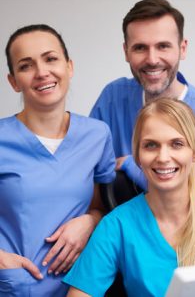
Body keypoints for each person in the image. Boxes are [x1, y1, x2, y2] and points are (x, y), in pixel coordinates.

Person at [64, 98, 195, 297]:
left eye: (176, 144)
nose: (163, 157)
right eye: (151, 145)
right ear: (138, 156)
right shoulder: (117, 225)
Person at [0, 24, 115, 296]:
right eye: (26, 66)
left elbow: (99, 207)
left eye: (50, 59)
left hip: (80, 286)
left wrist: (90, 222)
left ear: (69, 67)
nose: (42, 72)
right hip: (14, 286)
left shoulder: (96, 135)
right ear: (14, 81)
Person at [90, 0, 195, 195]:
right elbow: (85, 172)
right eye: (140, 47)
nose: (152, 60)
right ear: (126, 51)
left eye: (163, 46)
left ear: (182, 48)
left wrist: (133, 167)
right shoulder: (112, 99)